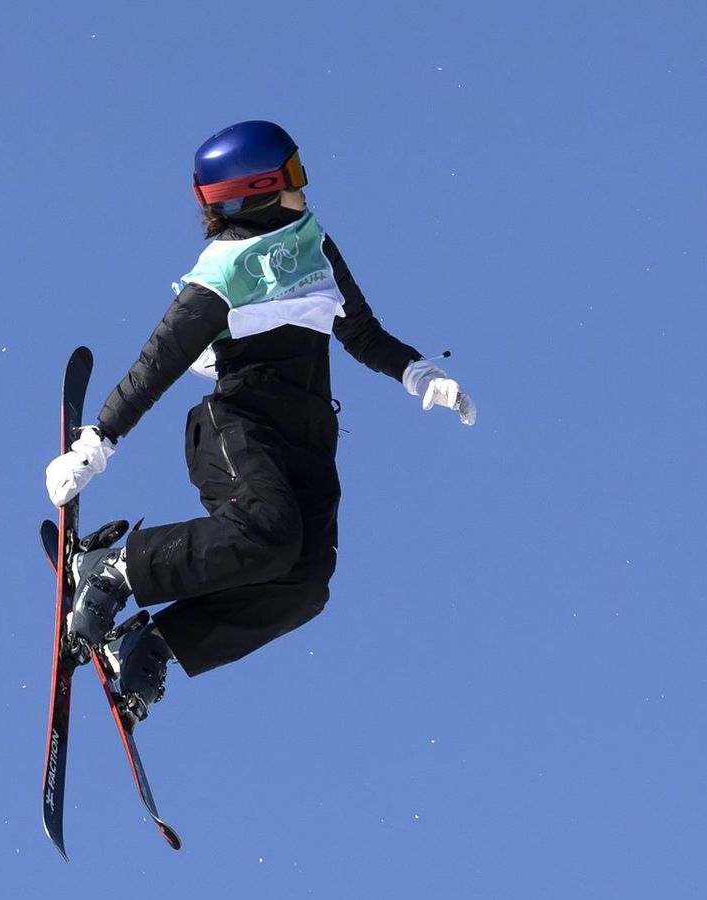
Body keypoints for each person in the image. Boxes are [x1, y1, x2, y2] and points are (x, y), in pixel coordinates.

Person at [45, 120, 476, 721]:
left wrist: (419, 374)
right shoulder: (222, 273)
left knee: (305, 581)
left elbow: (359, 330)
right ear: (258, 189)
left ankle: (151, 646)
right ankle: (113, 569)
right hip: (238, 428)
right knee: (268, 528)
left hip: (308, 441)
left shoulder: (313, 243)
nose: (306, 186)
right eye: (294, 175)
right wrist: (97, 442)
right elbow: (158, 363)